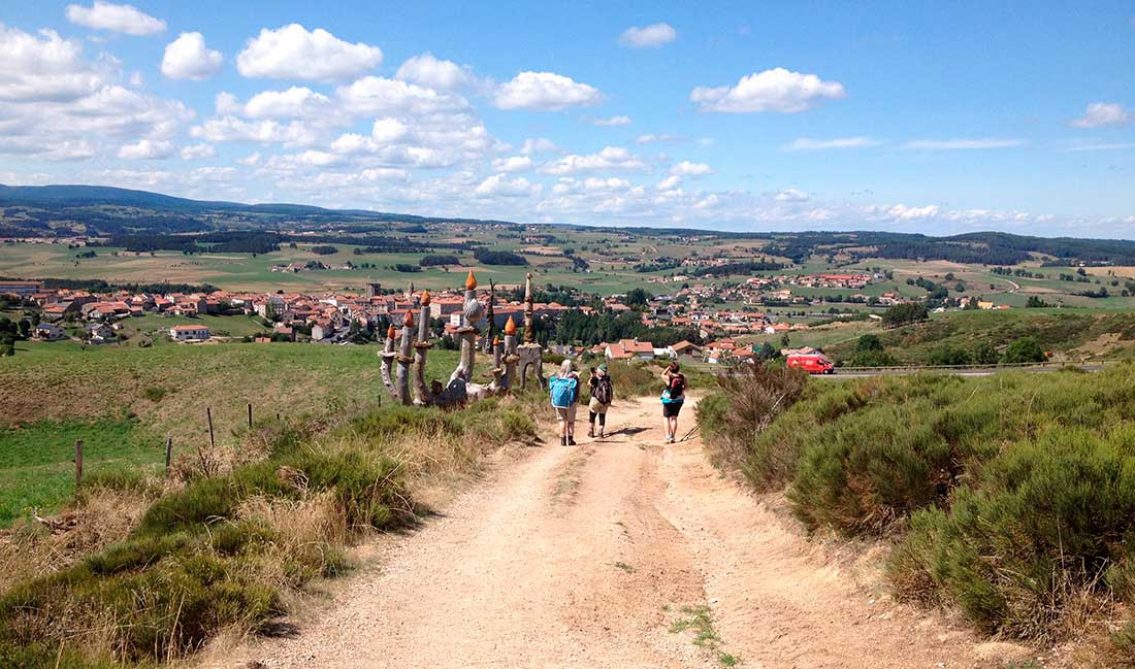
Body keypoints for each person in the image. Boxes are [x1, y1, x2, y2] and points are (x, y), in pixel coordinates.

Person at [549, 359, 581, 446]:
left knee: (561, 421)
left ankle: (562, 440)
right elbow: (577, 390)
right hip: (571, 402)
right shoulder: (574, 377)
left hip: (558, 403)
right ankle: (570, 440)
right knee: (571, 422)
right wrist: (576, 399)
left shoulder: (557, 376)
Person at [660, 361, 687, 444]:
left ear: (671, 369)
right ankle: (673, 436)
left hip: (668, 400)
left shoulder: (669, 377)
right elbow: (685, 387)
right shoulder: (682, 377)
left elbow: (662, 375)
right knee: (674, 418)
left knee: (666, 418)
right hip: (679, 400)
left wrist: (668, 368)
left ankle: (668, 437)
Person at [587, 363, 614, 439]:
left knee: (592, 416)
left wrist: (592, 375)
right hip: (606, 401)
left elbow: (589, 384)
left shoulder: (595, 378)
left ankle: (591, 431)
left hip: (596, 399)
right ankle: (600, 433)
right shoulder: (607, 378)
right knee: (602, 416)